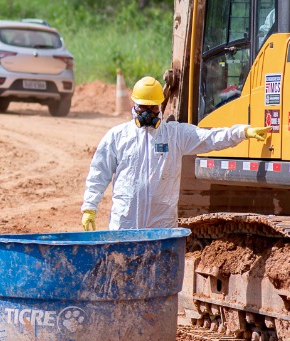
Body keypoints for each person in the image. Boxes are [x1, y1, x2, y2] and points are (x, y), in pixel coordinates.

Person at [81, 76, 270, 231]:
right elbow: (99, 172)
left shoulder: (175, 135)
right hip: (125, 224)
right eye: (143, 107)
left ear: (160, 106)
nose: (148, 113)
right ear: (135, 105)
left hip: (161, 226)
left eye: (153, 107)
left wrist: (242, 132)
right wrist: (89, 207)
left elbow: (210, 138)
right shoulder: (118, 136)